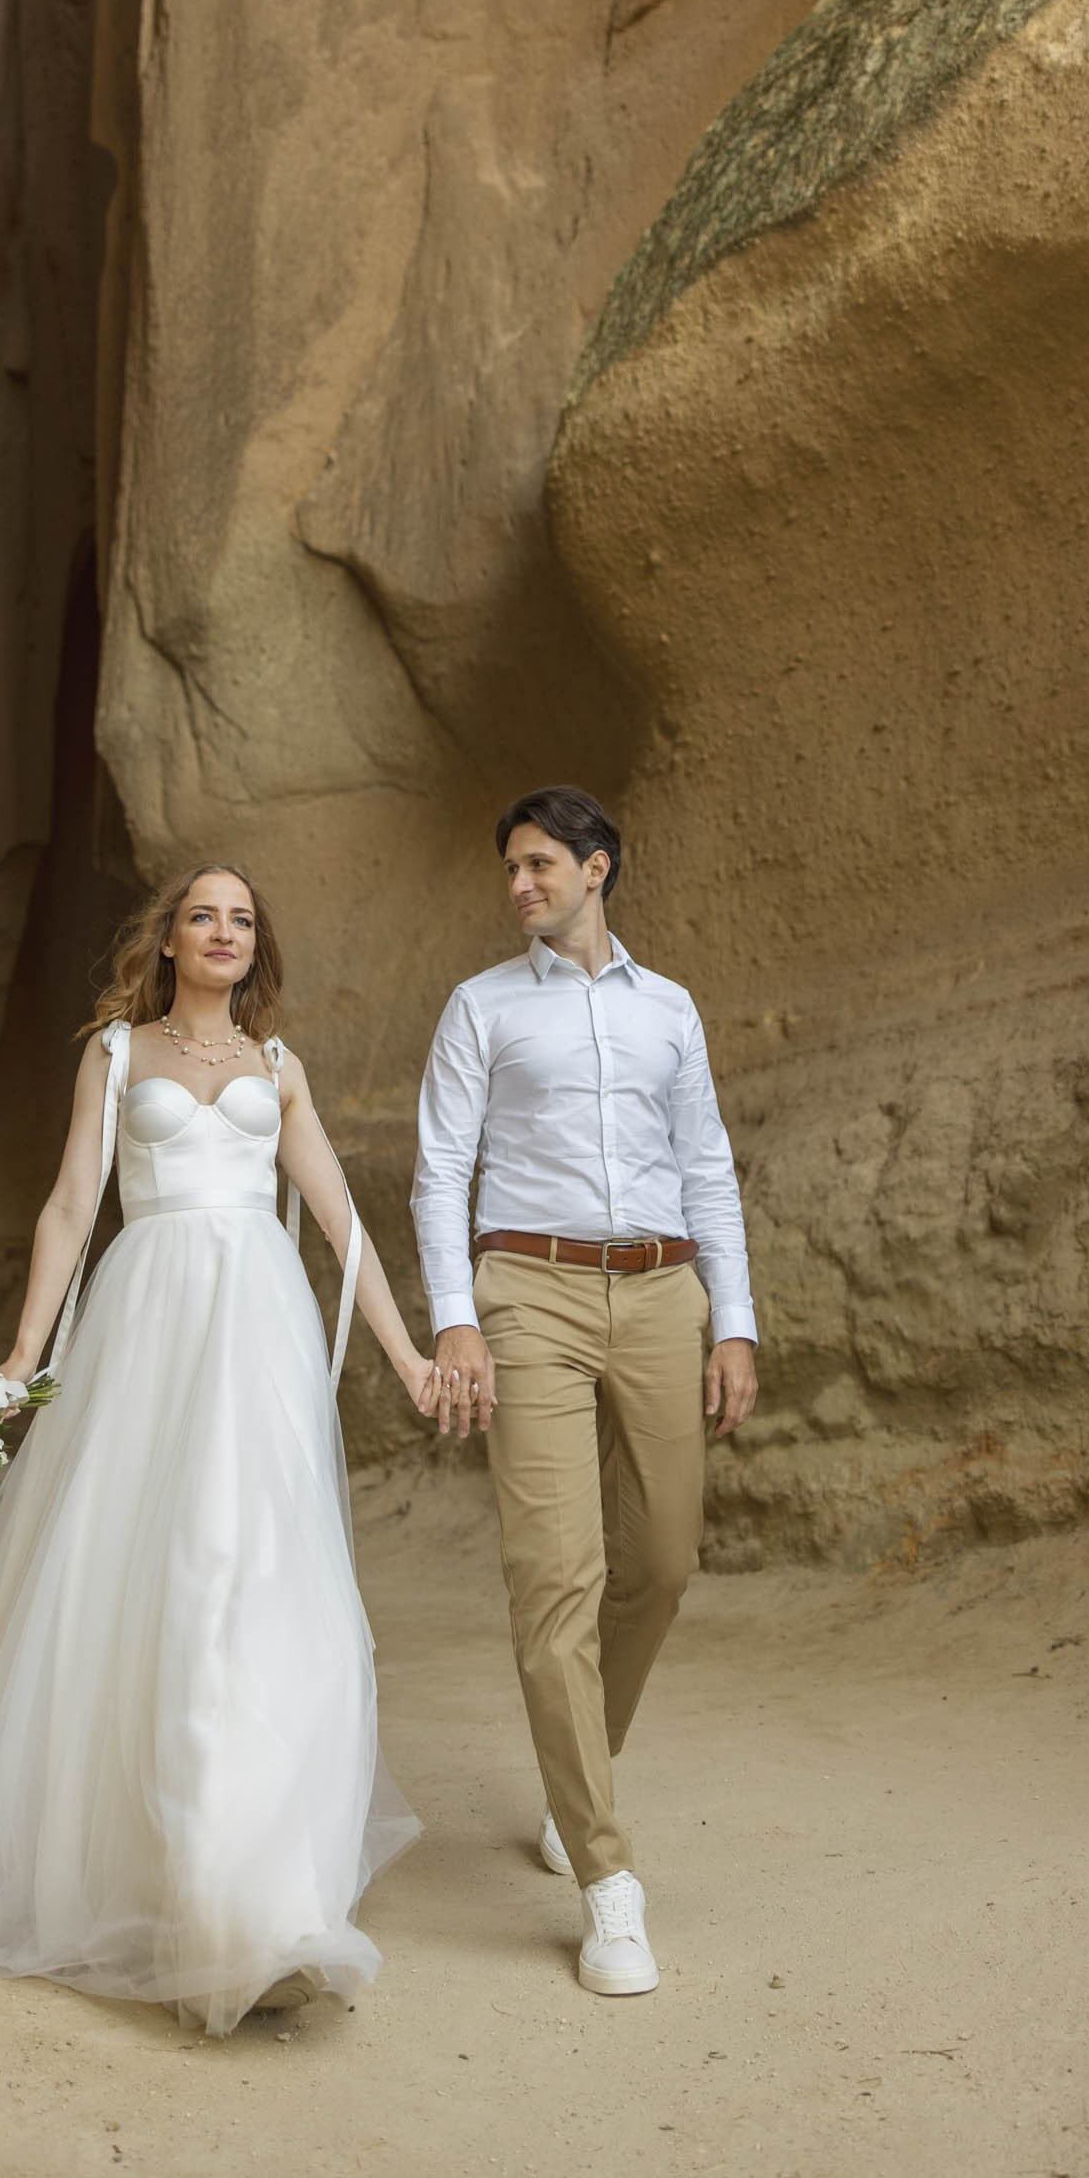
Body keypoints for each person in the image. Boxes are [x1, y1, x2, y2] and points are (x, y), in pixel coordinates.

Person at [0, 862, 440, 2036]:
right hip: (147, 1323)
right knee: (138, 1579)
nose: (223, 932)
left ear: (250, 947)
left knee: (253, 1580)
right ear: (169, 943)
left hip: (258, 1338)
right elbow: (74, 1205)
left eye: (241, 919)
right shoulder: (116, 1056)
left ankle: (256, 1902)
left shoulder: (280, 1072)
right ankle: (154, 1880)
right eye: (202, 916)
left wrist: (414, 1357)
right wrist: (22, 1359)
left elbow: (340, 1224)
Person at [411, 785, 759, 1997]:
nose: (520, 885)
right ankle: (608, 1880)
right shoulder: (481, 1007)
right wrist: (456, 1317)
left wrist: (737, 1324)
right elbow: (441, 1166)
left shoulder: (671, 1010)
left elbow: (707, 1165)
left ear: (599, 869)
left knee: (661, 1561)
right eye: (511, 866)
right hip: (530, 1294)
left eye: (542, 864)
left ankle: (578, 1771)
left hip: (664, 1294)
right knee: (556, 1575)